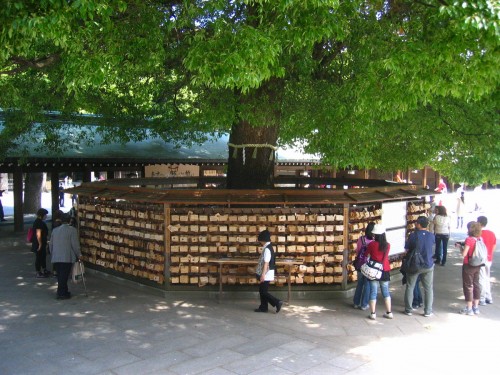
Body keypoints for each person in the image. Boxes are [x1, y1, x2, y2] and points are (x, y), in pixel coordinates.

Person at [403, 216, 435, 317]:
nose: (415, 224)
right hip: (428, 264)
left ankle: (408, 309)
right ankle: (428, 311)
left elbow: (407, 249)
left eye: (417, 223)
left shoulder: (413, 235)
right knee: (428, 288)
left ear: (419, 224)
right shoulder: (431, 235)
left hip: (415, 265)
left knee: (410, 286)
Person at [50, 214, 81, 300]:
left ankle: (63, 291)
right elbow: (75, 245)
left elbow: (51, 244)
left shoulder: (55, 230)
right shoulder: (72, 230)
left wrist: (52, 253)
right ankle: (61, 293)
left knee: (60, 275)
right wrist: (79, 254)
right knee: (64, 275)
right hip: (66, 256)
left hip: (56, 256)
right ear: (70, 221)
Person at [365, 224, 392, 320]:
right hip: (384, 269)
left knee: (373, 291)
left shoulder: (372, 244)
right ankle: (389, 312)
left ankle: (373, 313)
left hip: (373, 270)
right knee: (386, 291)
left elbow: (366, 254)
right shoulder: (387, 245)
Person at [254, 229, 283, 313]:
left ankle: (277, 302)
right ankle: (263, 307)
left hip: (266, 273)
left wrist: (263, 274)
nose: (260, 242)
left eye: (260, 240)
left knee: (263, 291)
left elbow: (266, 263)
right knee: (262, 291)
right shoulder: (269, 247)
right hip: (268, 272)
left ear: (263, 240)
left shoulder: (267, 249)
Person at [457, 221, 483, 315]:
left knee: (468, 286)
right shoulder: (479, 239)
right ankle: (476, 307)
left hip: (469, 265)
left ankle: (469, 308)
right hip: (478, 264)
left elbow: (464, 254)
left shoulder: (469, 239)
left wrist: (460, 247)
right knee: (476, 284)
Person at [353, 222, 375, 311]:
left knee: (359, 284)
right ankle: (364, 304)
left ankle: (356, 302)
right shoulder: (374, 242)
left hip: (360, 264)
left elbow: (357, 251)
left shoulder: (361, 239)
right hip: (369, 265)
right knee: (367, 285)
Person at [477, 216, 497, 305]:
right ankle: (489, 296)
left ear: (479, 223)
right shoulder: (492, 233)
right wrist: (489, 254)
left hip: (481, 259)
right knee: (486, 278)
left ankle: (482, 297)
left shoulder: (479, 233)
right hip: (489, 258)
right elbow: (494, 246)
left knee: (481, 279)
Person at [32, 208, 50, 278]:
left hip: (42, 242)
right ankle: (38, 271)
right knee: (39, 257)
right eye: (45, 215)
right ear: (42, 215)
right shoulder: (38, 223)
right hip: (39, 243)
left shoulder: (39, 222)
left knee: (43, 256)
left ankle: (44, 269)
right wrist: (40, 244)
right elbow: (38, 234)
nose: (46, 216)